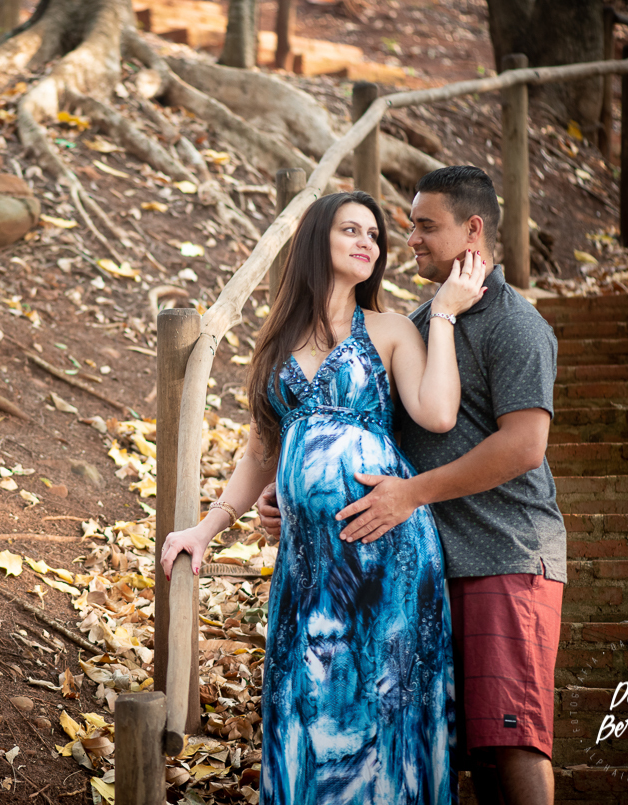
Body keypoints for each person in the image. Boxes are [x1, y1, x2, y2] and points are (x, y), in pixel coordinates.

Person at [160, 190, 488, 805]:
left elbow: (439, 413)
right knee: (302, 705)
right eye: (351, 230)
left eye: (374, 235)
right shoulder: (278, 345)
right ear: (317, 240)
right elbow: (260, 453)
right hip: (309, 566)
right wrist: (206, 529)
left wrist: (442, 313)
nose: (369, 242)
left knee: (385, 715)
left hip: (386, 556)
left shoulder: (389, 329)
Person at [258, 166, 566, 805]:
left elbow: (524, 446)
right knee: (450, 738)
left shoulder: (516, 324)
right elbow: (359, 427)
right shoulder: (421, 321)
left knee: (511, 738)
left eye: (425, 226)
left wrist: (413, 493)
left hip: (505, 554)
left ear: (472, 229)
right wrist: (297, 496)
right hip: (421, 561)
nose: (411, 239)